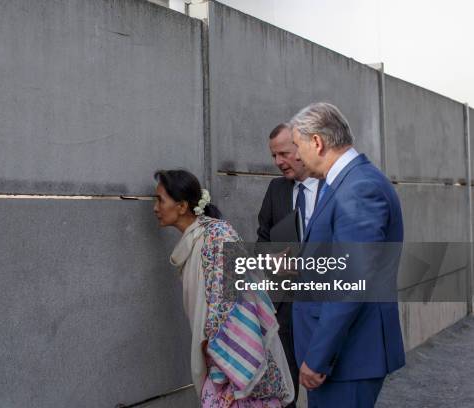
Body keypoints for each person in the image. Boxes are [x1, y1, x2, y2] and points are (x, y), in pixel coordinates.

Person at [289, 103, 405, 407]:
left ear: (317, 142)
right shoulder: (345, 183)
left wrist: (317, 358)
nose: (296, 156)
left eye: (297, 146)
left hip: (346, 357)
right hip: (343, 355)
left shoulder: (358, 187)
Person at [153, 169, 294, 408]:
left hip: (232, 363)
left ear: (182, 206)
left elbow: (233, 303)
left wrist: (217, 356)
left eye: (160, 200)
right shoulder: (196, 239)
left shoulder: (217, 236)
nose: (155, 208)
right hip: (216, 358)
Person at [256, 123, 323, 408]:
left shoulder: (332, 187)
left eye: (283, 153)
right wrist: (271, 260)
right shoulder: (275, 189)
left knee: (325, 388)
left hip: (324, 307)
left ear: (303, 147)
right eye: (274, 156)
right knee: (285, 394)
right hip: (283, 310)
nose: (278, 162)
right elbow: (262, 238)